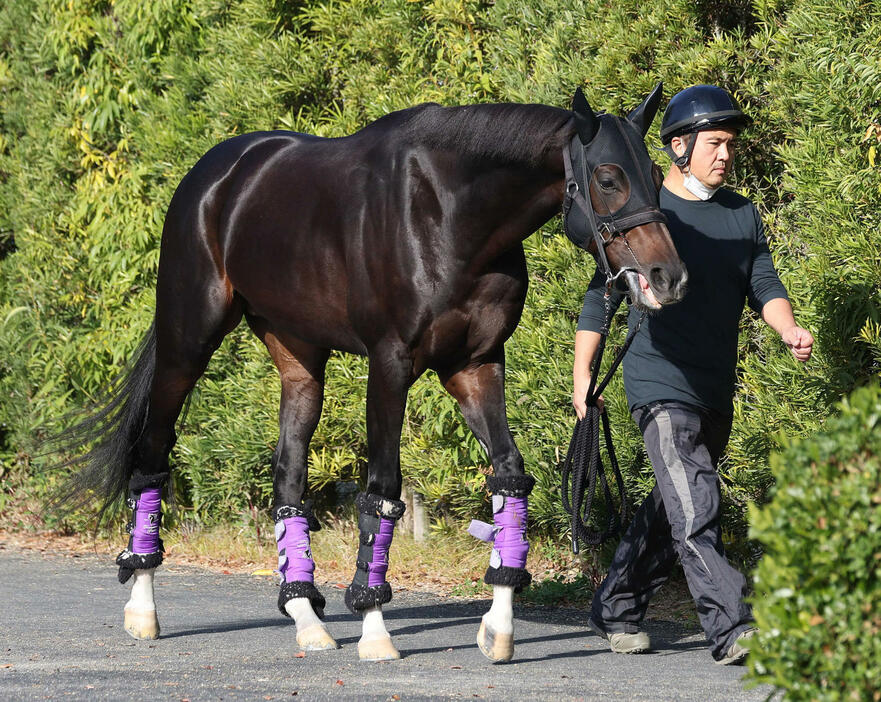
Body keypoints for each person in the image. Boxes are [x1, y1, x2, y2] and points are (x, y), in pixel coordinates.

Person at [572, 85, 814, 665]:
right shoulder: (651, 209)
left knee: (672, 506)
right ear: (679, 146)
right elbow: (599, 295)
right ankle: (732, 627)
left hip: (713, 385)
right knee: (697, 503)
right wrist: (583, 373)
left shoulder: (741, 214)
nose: (725, 154)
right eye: (715, 143)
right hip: (658, 382)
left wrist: (786, 328)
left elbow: (764, 283)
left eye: (730, 144)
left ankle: (617, 603)